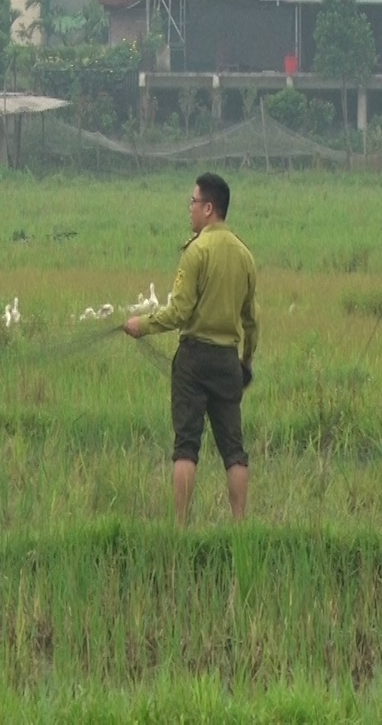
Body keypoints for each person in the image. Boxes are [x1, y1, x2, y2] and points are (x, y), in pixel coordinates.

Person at [125, 172, 258, 524]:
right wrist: (245, 363)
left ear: (209, 208)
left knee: (186, 446)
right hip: (229, 360)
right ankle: (240, 527)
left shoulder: (196, 251)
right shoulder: (245, 256)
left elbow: (179, 312)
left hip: (194, 359)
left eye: (194, 202)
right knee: (234, 450)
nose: (190, 209)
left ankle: (181, 526)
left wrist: (143, 325)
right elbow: (251, 322)